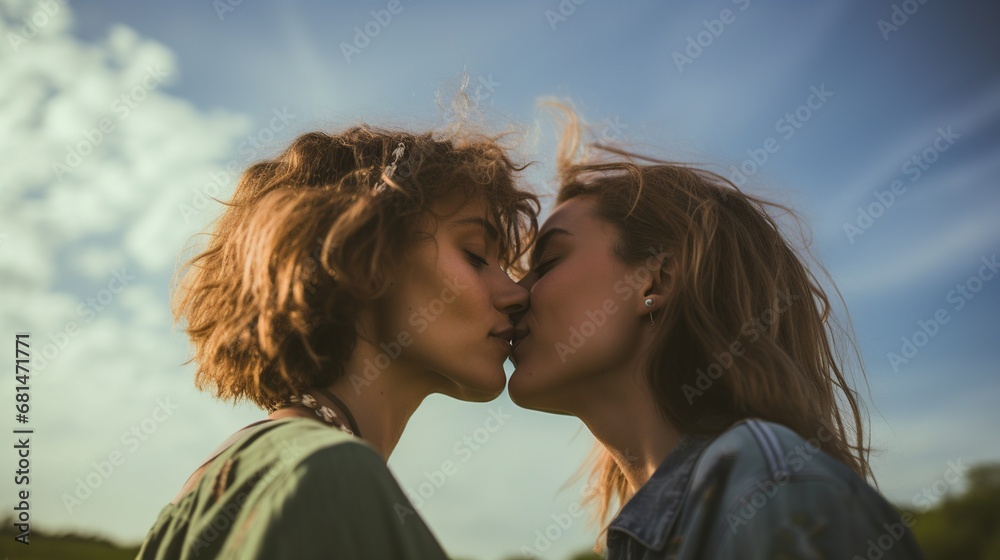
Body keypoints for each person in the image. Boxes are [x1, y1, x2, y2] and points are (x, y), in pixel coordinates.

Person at [507, 105, 924, 559]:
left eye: (547, 263)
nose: (513, 295)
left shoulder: (772, 492)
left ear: (656, 281)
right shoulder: (684, 520)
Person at [137, 123, 539, 559]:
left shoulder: (234, 472)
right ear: (360, 254)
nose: (516, 293)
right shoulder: (326, 473)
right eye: (476, 255)